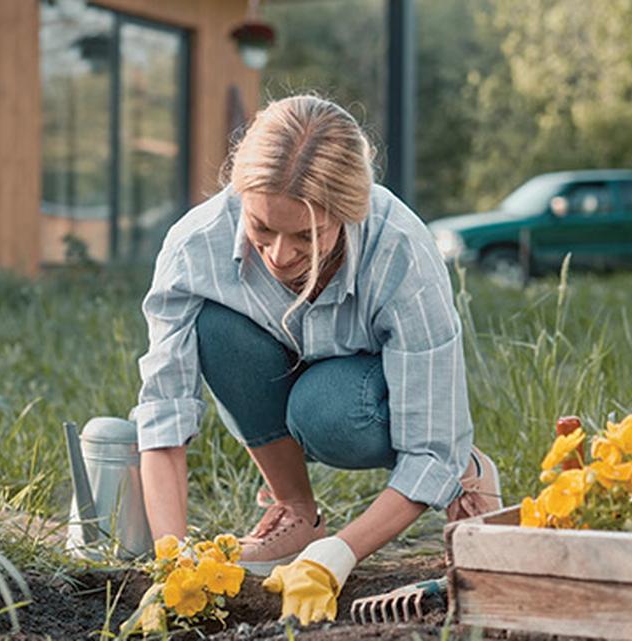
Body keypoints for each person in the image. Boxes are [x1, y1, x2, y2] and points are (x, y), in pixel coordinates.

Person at [133, 94, 501, 624]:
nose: (280, 255)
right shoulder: (195, 246)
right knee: (214, 327)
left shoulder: (401, 251)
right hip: (275, 358)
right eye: (262, 228)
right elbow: (163, 416)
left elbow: (429, 451)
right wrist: (171, 558)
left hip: (362, 392)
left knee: (326, 411)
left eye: (306, 235)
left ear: (349, 212)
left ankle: (471, 470)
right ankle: (297, 512)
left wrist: (341, 554)